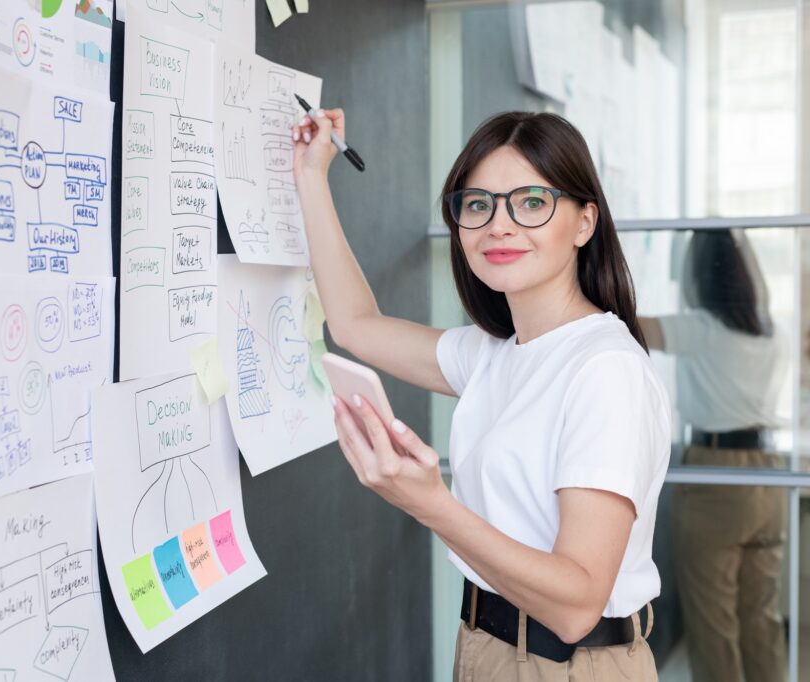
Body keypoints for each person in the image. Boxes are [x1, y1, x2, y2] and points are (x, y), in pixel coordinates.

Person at [291, 109, 670, 680]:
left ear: (584, 222)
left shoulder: (605, 369)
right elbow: (353, 325)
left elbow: (577, 605)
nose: (499, 225)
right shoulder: (495, 353)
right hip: (486, 645)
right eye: (477, 205)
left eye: (532, 202)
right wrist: (311, 175)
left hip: (569, 665)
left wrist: (429, 502)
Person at [639, 230, 788, 682]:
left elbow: (627, 325)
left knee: (713, 625)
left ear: (700, 276)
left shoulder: (701, 329)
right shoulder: (772, 331)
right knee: (761, 619)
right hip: (769, 478)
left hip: (716, 474)